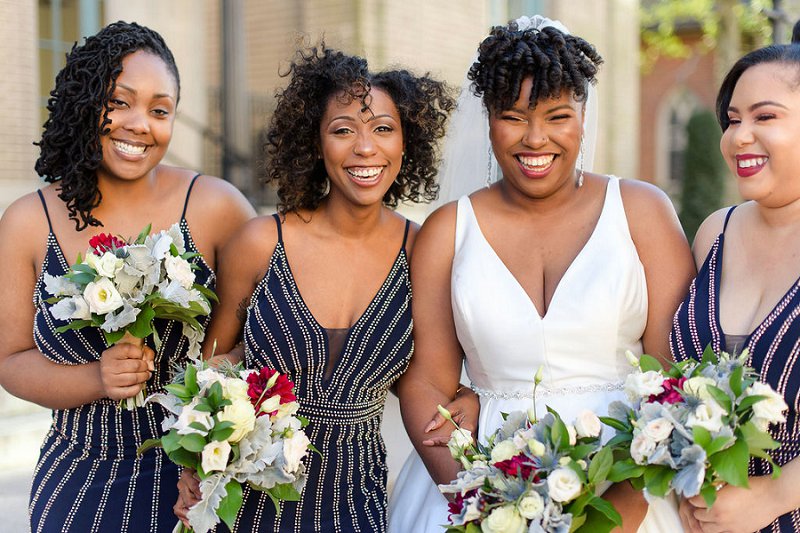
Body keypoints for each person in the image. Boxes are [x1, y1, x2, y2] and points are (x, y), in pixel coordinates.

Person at [388, 16, 696, 532]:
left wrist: (622, 508)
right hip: (483, 472)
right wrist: (476, 502)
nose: (535, 140)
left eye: (557, 116)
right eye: (513, 116)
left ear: (582, 116)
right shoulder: (449, 230)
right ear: (487, 118)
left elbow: (673, 375)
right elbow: (426, 382)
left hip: (630, 476)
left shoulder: (642, 210)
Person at [173, 44, 467, 532]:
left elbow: (432, 375)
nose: (365, 148)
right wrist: (190, 463)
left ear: (404, 142)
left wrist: (470, 395)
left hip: (357, 503)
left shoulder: (423, 253)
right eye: (343, 130)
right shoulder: (260, 243)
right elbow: (209, 370)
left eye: (382, 129)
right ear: (315, 144)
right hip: (247, 498)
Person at [0, 21, 255, 532]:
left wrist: (213, 396)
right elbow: (9, 361)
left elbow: (269, 331)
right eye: (120, 101)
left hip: (202, 482)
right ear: (85, 103)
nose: (140, 124)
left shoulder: (216, 208)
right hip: (81, 481)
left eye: (160, 111)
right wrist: (94, 377)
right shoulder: (28, 222)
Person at [672, 22, 800, 533]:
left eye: (765, 116)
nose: (739, 136)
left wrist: (772, 495)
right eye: (732, 119)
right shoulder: (713, 233)